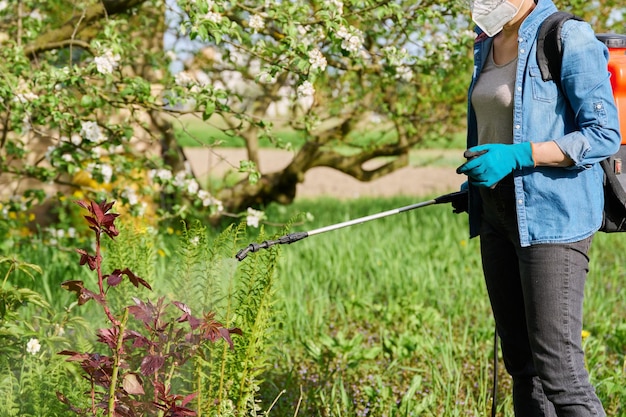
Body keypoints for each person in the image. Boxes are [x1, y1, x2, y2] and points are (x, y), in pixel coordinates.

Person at [455, 0, 622, 416]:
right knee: (522, 365)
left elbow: (603, 134)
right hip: (496, 213)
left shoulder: (567, 37)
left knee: (560, 375)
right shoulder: (485, 43)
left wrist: (518, 156)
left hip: (552, 217)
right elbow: (495, 120)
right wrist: (477, 180)